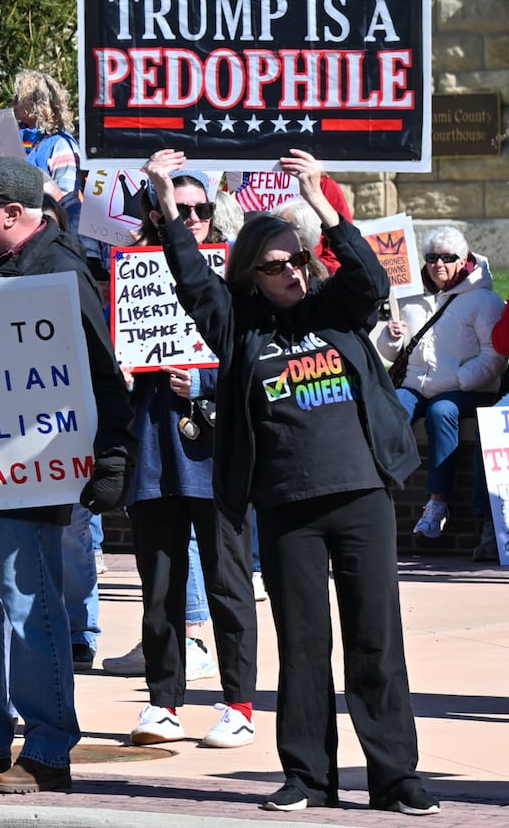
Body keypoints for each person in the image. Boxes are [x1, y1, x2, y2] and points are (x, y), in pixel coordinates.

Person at [149, 148, 438, 816]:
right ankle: (308, 777)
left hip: (361, 493)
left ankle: (396, 777)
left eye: (298, 260)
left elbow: (367, 274)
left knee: (376, 639)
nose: (292, 273)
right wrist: (166, 203)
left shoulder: (336, 308)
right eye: (276, 264)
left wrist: (324, 207)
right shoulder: (239, 325)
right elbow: (193, 280)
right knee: (304, 646)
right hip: (286, 507)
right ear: (252, 273)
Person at [0, 157, 132, 796]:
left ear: (13, 214)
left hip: (30, 473)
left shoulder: (60, 270)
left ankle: (47, 749)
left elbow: (102, 371)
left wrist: (112, 455)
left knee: (26, 609)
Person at [121, 171, 259, 749]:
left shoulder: (235, 275)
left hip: (215, 454)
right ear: (156, 214)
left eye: (201, 208)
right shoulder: (129, 274)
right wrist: (120, 370)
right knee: (160, 586)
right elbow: (109, 350)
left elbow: (250, 357)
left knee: (229, 583)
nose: (193, 218)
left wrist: (201, 383)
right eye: (180, 209)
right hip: (154, 452)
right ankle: (164, 702)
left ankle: (239, 704)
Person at [372, 227, 505, 542]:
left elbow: (495, 357)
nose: (438, 264)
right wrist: (390, 337)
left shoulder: (483, 299)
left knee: (442, 411)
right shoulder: (412, 297)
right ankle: (376, 496)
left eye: (447, 258)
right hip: (417, 385)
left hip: (467, 390)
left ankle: (437, 503)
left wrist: (457, 379)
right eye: (432, 258)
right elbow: (395, 352)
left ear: (463, 260)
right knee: (390, 411)